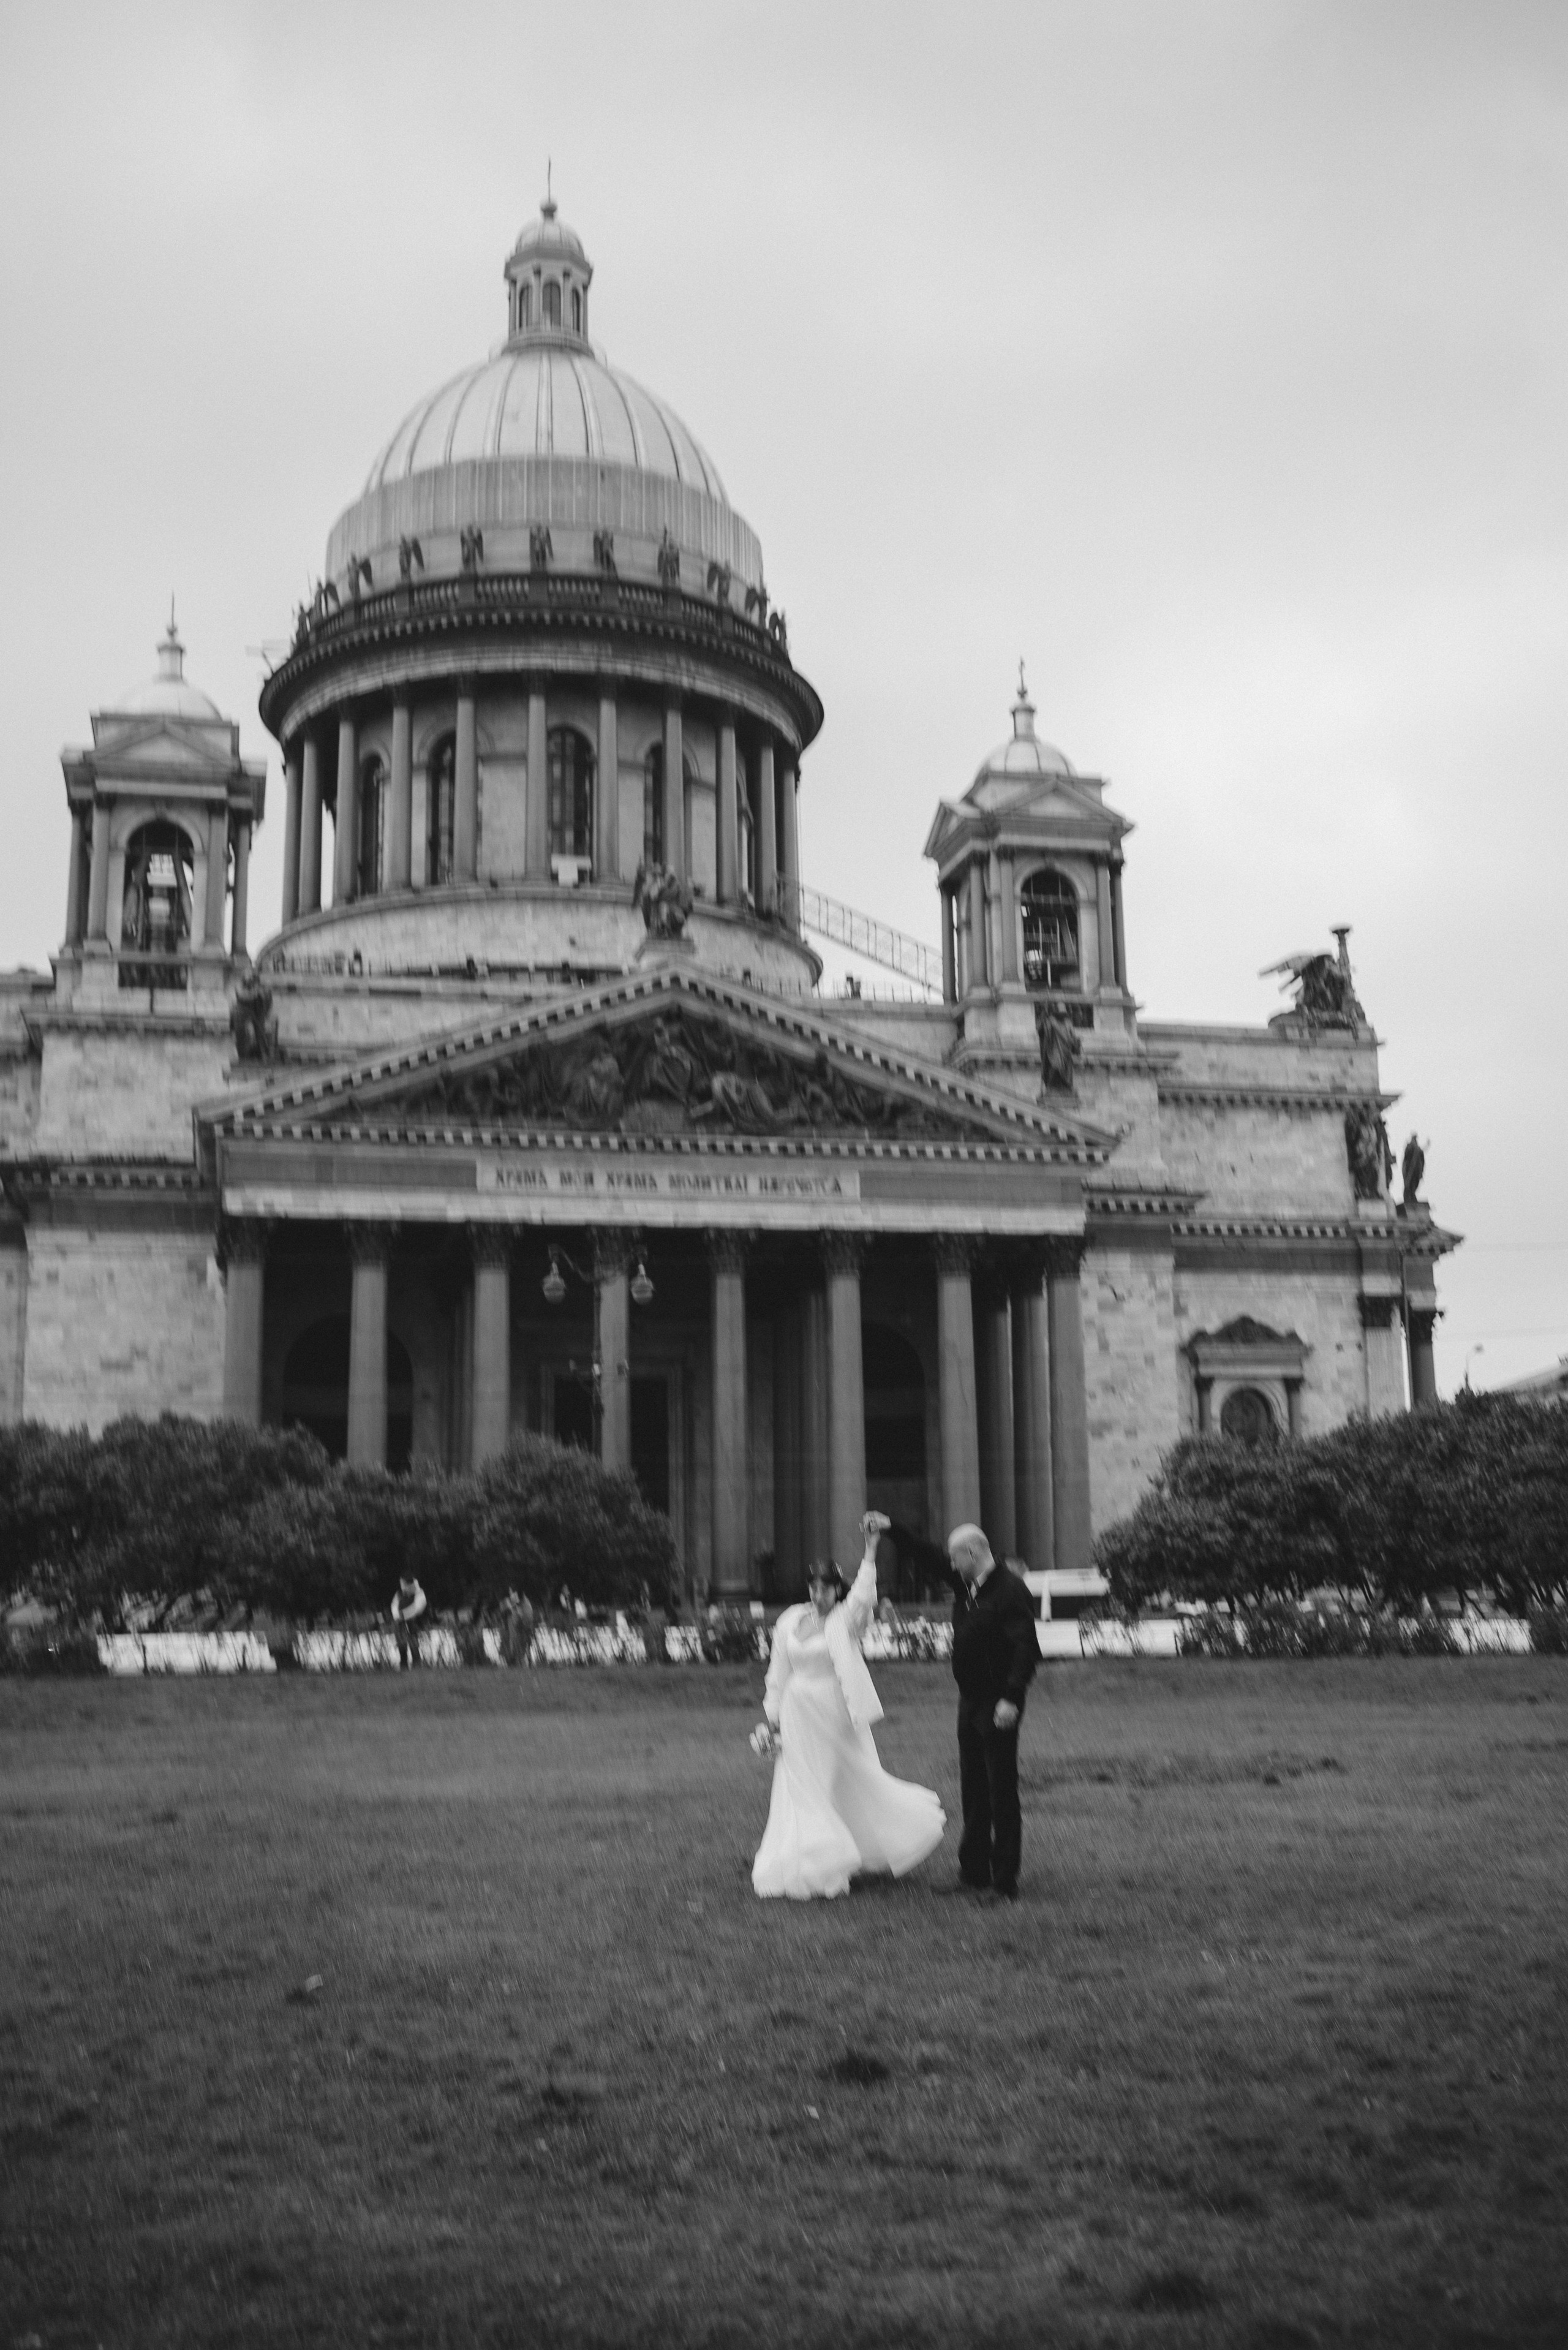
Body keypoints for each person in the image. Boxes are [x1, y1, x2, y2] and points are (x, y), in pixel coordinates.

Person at [751, 1511, 945, 1901]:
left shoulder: (846, 1620)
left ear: (837, 1590)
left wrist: (871, 1550)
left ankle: (850, 1851)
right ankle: (810, 1862)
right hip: (796, 1714)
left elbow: (863, 1598)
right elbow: (777, 1673)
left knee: (842, 1780)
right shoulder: (790, 1620)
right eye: (814, 1588)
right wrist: (771, 1721)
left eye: (826, 1588)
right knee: (800, 1787)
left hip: (835, 1715)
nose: (819, 1595)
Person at [947, 1523, 1039, 1900]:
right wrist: (893, 1531)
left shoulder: (1010, 1589)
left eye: (955, 1558)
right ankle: (974, 1872)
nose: (951, 1566)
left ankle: (1004, 1882)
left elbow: (1025, 1648)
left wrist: (1011, 1699)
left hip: (998, 1702)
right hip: (970, 1701)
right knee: (973, 1786)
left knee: (1001, 1790)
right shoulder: (969, 1587)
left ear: (972, 1553)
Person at [390, 1573, 428, 1669]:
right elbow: (394, 1606)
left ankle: (417, 1666)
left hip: (414, 1623)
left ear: (408, 1583)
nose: (402, 1585)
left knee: (414, 1646)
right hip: (400, 1624)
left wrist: (404, 1615)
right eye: (401, 1583)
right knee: (402, 1646)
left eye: (403, 1583)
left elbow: (418, 1608)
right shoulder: (399, 1594)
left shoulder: (419, 1593)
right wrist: (398, 1616)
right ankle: (404, 1666)